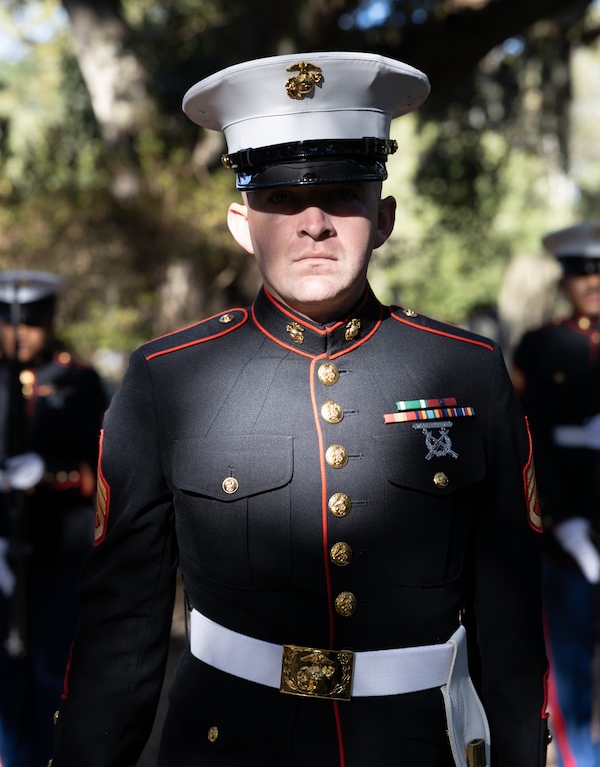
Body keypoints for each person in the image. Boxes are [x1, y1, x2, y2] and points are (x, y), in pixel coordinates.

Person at [51, 52, 549, 767]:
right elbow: (122, 628)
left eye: (344, 195)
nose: (314, 222)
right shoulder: (168, 378)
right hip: (228, 745)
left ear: (383, 217)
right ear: (239, 222)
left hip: (417, 747)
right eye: (281, 200)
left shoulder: (467, 372)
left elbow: (510, 621)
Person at [0, 270, 107, 767]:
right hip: (4, 557)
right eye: (9, 322)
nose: (20, 333)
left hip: (57, 557)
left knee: (52, 678)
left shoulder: (78, 381)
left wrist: (47, 474)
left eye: (33, 323)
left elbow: (99, 470)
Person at [513, 222, 600, 767]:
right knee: (568, 674)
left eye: (599, 272)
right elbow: (531, 439)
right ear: (565, 282)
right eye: (580, 273)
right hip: (568, 539)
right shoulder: (542, 347)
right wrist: (564, 523)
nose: (592, 282)